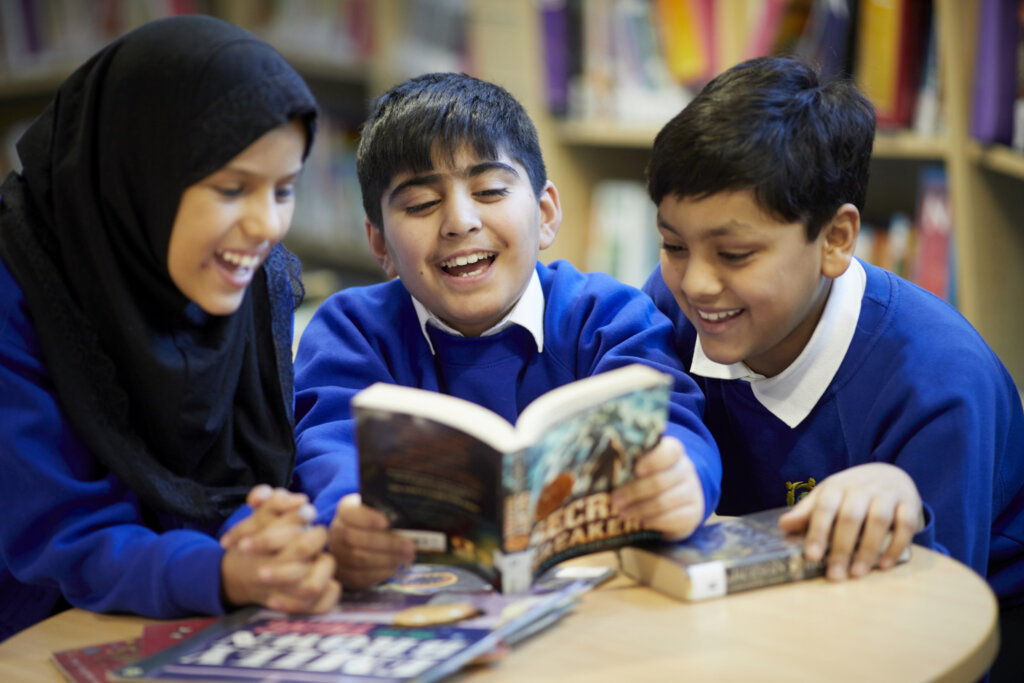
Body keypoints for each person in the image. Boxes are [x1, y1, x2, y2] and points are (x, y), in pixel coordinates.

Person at [642, 55, 1024, 676]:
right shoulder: (670, 311)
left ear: (836, 240)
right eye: (673, 246)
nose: (699, 283)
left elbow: (932, 630)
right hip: (751, 616)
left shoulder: (939, 382)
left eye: (735, 253)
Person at [290, 72, 722, 589]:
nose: (460, 222)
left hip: (601, 606)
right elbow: (328, 447)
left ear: (544, 214)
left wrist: (683, 479)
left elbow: (671, 421)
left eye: (490, 190)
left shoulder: (609, 316)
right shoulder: (351, 331)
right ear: (380, 245)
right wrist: (348, 520)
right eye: (421, 204)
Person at [0, 15, 340, 642]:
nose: (267, 226)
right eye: (233, 188)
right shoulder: (17, 288)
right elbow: (58, 538)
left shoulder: (254, 283)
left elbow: (254, 480)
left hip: (196, 619)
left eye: (285, 189)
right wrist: (226, 573)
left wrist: (276, 533)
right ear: (143, 171)